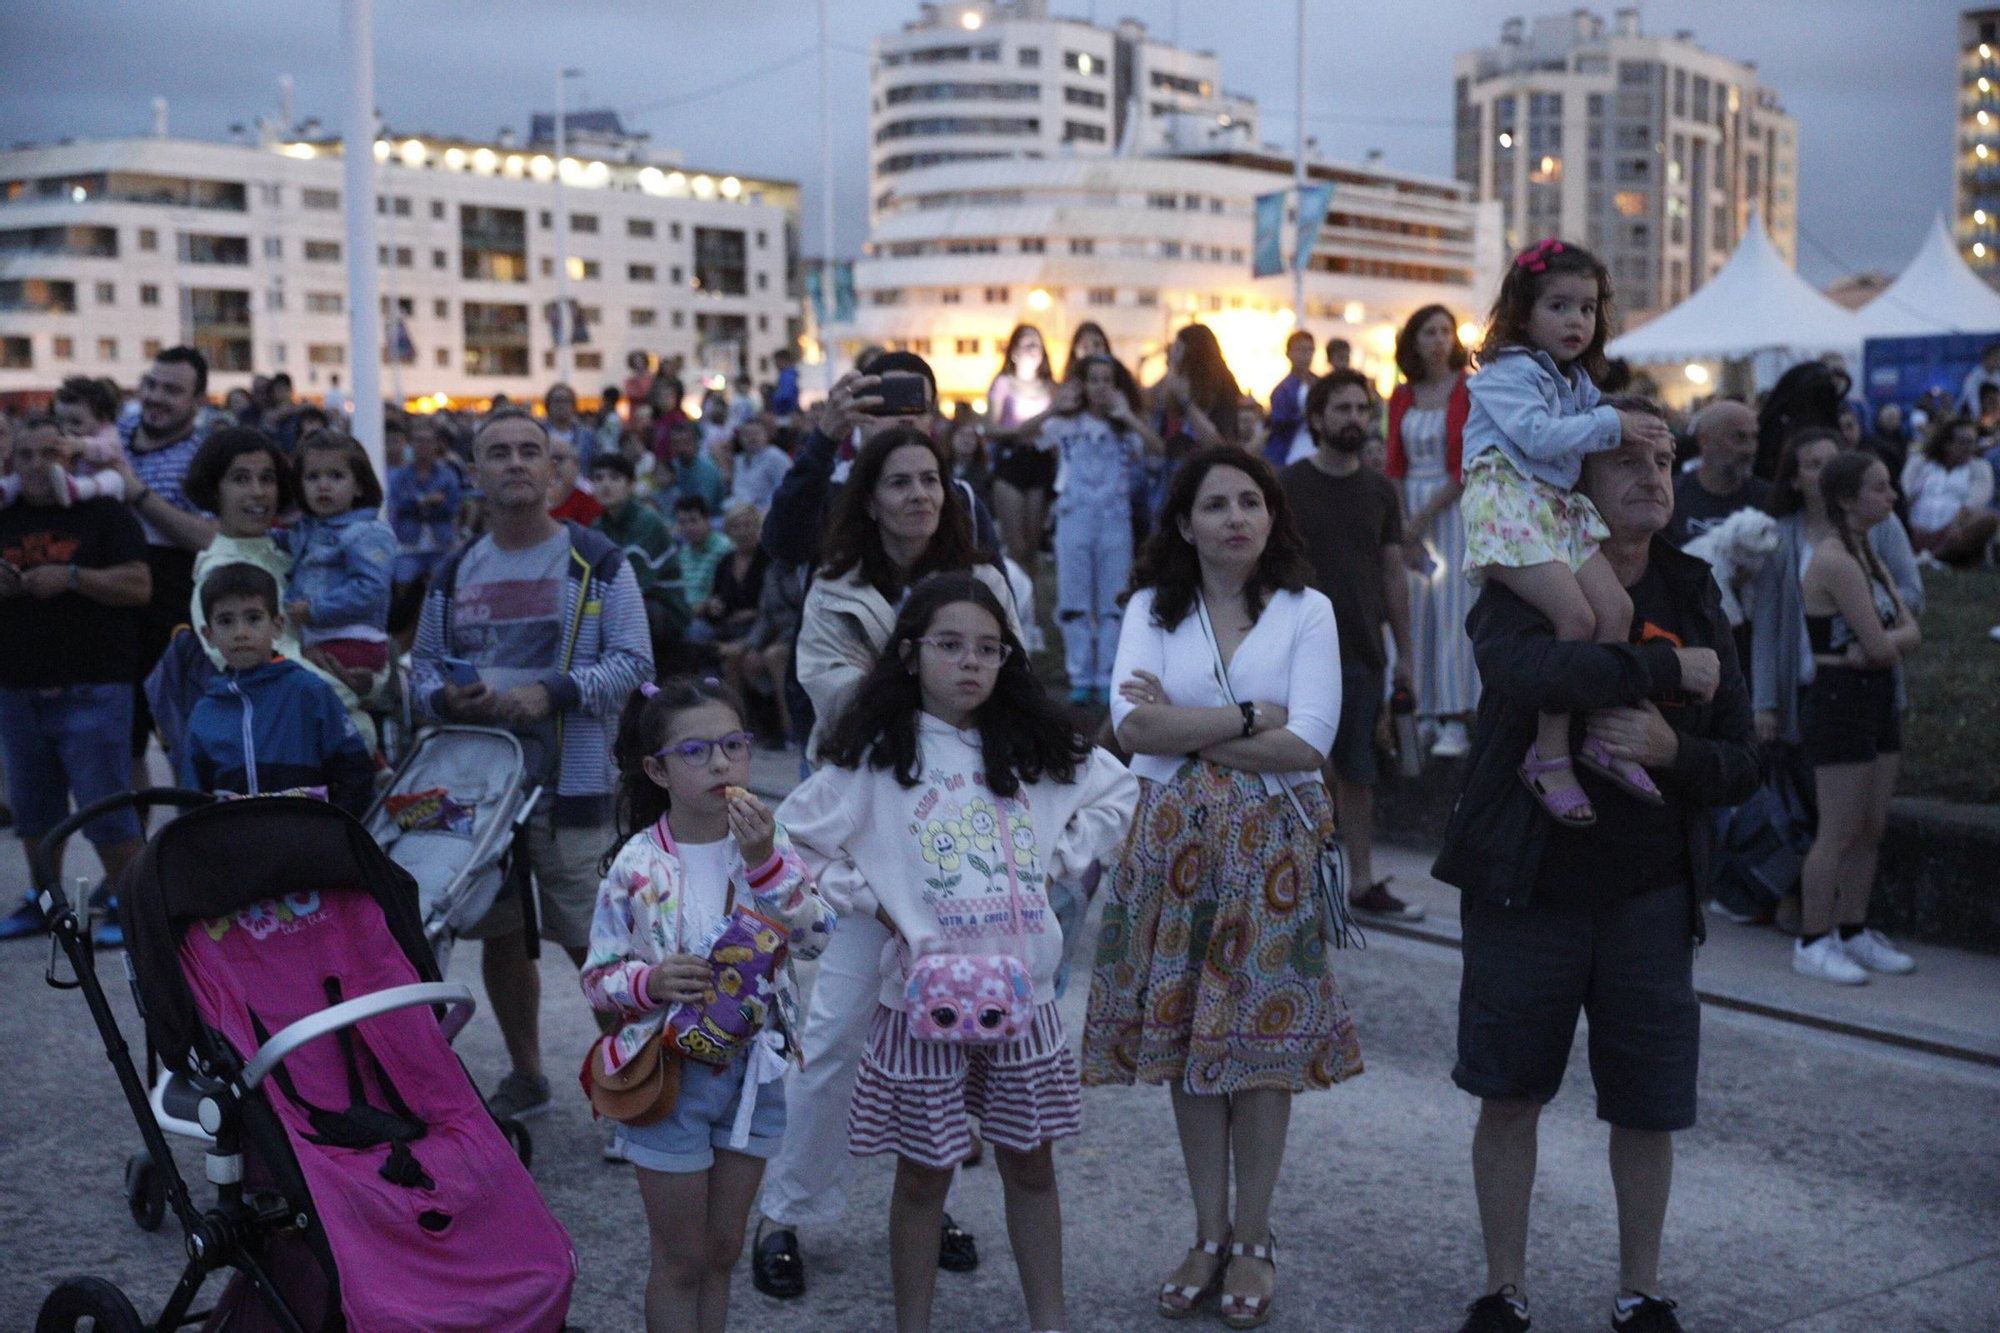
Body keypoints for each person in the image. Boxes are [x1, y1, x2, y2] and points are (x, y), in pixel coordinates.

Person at [1434, 422, 1759, 1333]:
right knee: (1508, 1093)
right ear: (1572, 473)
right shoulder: (1523, 569)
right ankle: (1504, 1287)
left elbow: (1741, 757)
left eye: (1662, 460)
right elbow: (1525, 666)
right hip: (1524, 886)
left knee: (1647, 1104)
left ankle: (1640, 1288)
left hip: (1650, 892)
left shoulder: (1693, 587)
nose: (1654, 476)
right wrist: (1661, 671)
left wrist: (1671, 746)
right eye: (1629, 459)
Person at [782, 573, 1137, 1333]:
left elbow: (1118, 794)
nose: (970, 662)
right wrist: (873, 898)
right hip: (919, 1001)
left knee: (1031, 1163)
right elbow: (794, 839)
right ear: (910, 654)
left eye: (988, 648)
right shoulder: (874, 756)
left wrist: (1058, 858)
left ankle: (1050, 1320)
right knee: (922, 1175)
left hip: (1025, 999)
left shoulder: (1039, 746)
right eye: (950, 645)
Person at [1083, 447, 1362, 1328]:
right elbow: (1132, 726)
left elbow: (1309, 742)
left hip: (1274, 847)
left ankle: (1252, 1233)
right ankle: (1206, 1230)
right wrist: (1247, 717)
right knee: (1186, 1037)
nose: (1236, 516)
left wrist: (1186, 727)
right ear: (1183, 523)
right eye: (1216, 503)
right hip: (1173, 849)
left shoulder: (1306, 609)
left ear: (1272, 517)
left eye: (1251, 501)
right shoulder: (1150, 609)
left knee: (1261, 1045)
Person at [752, 427, 1021, 1298]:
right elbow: (840, 711)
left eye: (931, 480)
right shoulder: (836, 591)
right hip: (868, 841)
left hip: (963, 850)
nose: (918, 495)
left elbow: (1011, 692)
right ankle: (784, 1211)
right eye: (899, 481)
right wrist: (945, 682)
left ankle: (928, 1203)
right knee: (833, 1035)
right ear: (868, 497)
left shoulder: (988, 583)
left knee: (941, 1038)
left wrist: (943, 680)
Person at [408, 406, 654, 1122]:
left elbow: (636, 666)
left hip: (573, 788)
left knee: (595, 942)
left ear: (553, 470)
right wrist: (445, 695)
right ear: (475, 474)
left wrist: (553, 689)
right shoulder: (455, 571)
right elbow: (419, 671)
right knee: (501, 935)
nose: (515, 463)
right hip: (483, 796)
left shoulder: (599, 560)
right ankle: (528, 1074)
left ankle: (635, 1086)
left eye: (530, 451)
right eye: (499, 453)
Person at [583, 676, 836, 1332]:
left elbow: (815, 936)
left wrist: (765, 865)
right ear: (656, 769)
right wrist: (651, 981)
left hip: (757, 1070)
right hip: (669, 1073)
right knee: (681, 1257)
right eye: (695, 751)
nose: (721, 762)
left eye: (733, 744)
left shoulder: (764, 848)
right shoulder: (636, 864)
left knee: (722, 1252)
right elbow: (597, 977)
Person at [1458, 239, 1674, 827]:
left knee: (1616, 610)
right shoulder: (1506, 371)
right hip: (1507, 503)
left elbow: (1582, 433)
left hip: (1551, 508)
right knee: (1575, 618)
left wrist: (1638, 434)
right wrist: (1610, 423)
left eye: (1585, 308)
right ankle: (1548, 754)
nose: (1576, 321)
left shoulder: (1573, 381)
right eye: (1558, 306)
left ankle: (1600, 736)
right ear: (1522, 312)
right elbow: (1536, 436)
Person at [1281, 370, 1425, 922]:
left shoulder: (1379, 490)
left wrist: (1406, 658)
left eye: (1361, 409)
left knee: (1360, 772)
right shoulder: (1287, 485)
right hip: (1299, 654)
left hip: (1364, 650)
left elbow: (1394, 576)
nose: (1353, 419)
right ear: (1316, 418)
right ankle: (1299, 879)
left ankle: (1360, 883)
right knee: (1303, 770)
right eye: (1341, 409)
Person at [0, 417, 151, 940]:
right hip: (18, 690)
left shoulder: (101, 512)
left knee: (108, 811)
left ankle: (134, 915)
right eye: (27, 455)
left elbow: (139, 586)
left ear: (71, 458)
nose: (39, 465)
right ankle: (47, 904)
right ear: (12, 462)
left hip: (94, 686)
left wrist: (69, 577)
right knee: (34, 815)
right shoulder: (5, 513)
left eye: (50, 453)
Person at [1790, 451, 1922, 985]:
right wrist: (1884, 646)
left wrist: (1884, 646)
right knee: (1838, 831)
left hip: (1877, 695)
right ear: (1847, 499)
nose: (1892, 497)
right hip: (1842, 698)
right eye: (1880, 488)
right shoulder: (1836, 560)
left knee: (1872, 826)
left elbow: (1910, 630)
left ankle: (1852, 929)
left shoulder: (1867, 551)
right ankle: (1813, 939)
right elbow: (1885, 644)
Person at [178, 564, 374, 815]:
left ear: (277, 626)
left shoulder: (309, 691)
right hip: (235, 849)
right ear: (208, 635)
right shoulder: (206, 712)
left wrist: (335, 833)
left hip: (309, 845)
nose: (241, 633)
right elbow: (194, 801)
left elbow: (355, 772)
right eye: (226, 621)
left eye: (254, 618)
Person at [108, 347, 216, 788]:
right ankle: (142, 851)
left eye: (173, 390)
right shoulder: (118, 430)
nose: (155, 397)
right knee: (123, 739)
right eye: (152, 384)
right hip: (111, 601)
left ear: (198, 402)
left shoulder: (203, 456)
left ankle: (191, 842)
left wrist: (137, 494)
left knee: (179, 736)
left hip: (170, 608)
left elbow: (208, 537)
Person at [1386, 304, 1479, 760]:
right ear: (1414, 340)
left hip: (1452, 511)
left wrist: (1421, 517)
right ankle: (1420, 709)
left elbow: (1467, 464)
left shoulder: (1467, 388)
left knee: (1452, 610)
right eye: (1429, 332)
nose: (1439, 339)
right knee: (1415, 611)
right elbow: (1393, 463)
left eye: (1446, 331)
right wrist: (1403, 520)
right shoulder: (1402, 395)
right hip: (1410, 512)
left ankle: (1456, 715)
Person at [1042, 355, 1161, 706]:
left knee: (1113, 601)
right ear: (1082, 384)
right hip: (1073, 516)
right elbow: (1021, 434)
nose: (1100, 387)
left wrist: (1128, 416)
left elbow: (1158, 449)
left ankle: (1107, 675)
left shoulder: (1125, 426)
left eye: (1107, 380)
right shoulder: (1066, 424)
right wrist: (1055, 407)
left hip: (1115, 519)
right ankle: (1080, 674)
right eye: (1093, 379)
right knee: (1074, 598)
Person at [278, 429, 398, 687]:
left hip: (354, 640)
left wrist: (315, 610)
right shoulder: (308, 529)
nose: (323, 485)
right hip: (320, 638)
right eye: (312, 476)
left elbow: (371, 589)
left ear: (358, 486)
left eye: (336, 475)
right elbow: (283, 541)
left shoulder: (367, 532)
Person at [985, 324, 1059, 575]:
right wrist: (1019, 431)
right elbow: (990, 428)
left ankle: (1032, 603)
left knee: (1032, 546)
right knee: (1016, 546)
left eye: (1037, 344)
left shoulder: (1050, 387)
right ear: (1014, 351)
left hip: (1040, 462)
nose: (1032, 349)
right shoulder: (1003, 383)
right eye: (1026, 344)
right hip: (1011, 461)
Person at [3, 375, 127, 507]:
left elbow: (109, 450)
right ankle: (6, 489)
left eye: (76, 422)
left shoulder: (107, 432)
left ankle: (76, 489)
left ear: (102, 418)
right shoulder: (62, 439)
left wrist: (82, 446)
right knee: (32, 471)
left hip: (103, 482)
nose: (66, 428)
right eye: (60, 420)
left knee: (113, 479)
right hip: (70, 481)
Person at [1665, 400, 1768, 549]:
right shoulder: (1672, 497)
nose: (1750, 449)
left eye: (1754, 437)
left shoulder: (1766, 499)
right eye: (1739, 437)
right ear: (1704, 440)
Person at [1902, 415, 1997, 566]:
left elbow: (1977, 499)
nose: (1969, 447)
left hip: (1952, 531)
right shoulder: (1921, 462)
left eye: (1973, 442)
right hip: (1914, 527)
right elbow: (1906, 492)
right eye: (1964, 442)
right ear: (1947, 443)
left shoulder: (1979, 467)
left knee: (1989, 518)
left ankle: (1933, 557)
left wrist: (1952, 525)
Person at [388, 414, 466, 590]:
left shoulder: (447, 474)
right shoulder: (400, 476)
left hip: (442, 542)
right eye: (418, 441)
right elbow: (397, 504)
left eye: (427, 441)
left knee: (446, 586)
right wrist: (426, 501)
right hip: (408, 543)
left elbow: (452, 507)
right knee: (401, 585)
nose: (422, 446)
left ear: (436, 445)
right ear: (411, 444)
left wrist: (416, 504)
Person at [1265, 330, 1318, 467]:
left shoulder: (1320, 384)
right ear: (1288, 353)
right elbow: (1279, 422)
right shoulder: (1282, 390)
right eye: (1301, 349)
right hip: (1286, 454)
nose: (1306, 355)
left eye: (1310, 350)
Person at [725, 417, 791, 514]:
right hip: (738, 510)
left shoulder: (775, 457)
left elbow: (788, 489)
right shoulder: (739, 460)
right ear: (740, 438)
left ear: (765, 435)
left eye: (756, 434)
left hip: (765, 514)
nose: (752, 438)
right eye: (747, 435)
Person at [662, 419, 725, 516]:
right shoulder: (673, 466)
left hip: (709, 519)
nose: (681, 448)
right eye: (676, 443)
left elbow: (703, 507)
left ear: (695, 443)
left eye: (685, 442)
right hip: (680, 517)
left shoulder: (707, 469)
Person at [547, 434, 604, 526]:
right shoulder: (529, 498)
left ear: (576, 464)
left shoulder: (590, 498)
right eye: (546, 459)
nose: (553, 464)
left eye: (559, 458)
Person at [544, 382, 598, 472]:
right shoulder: (540, 434)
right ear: (548, 405)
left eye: (566, 401)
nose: (561, 405)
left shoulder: (587, 435)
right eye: (557, 401)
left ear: (574, 406)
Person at [1956, 340, 2000, 412]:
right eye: (1997, 358)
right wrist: (1978, 418)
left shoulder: (1998, 376)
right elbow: (1972, 399)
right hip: (1969, 413)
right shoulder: (1974, 377)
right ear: (1987, 358)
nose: (1999, 361)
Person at [768, 348, 801, 420]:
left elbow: (786, 394)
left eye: (776, 361)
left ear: (783, 360)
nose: (775, 364)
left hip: (786, 412)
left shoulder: (787, 375)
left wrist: (772, 397)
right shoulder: (786, 374)